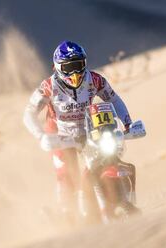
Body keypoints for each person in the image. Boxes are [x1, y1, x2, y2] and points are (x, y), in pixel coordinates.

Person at [23, 41, 136, 220]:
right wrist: (41, 136)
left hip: (90, 132)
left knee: (105, 160)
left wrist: (128, 123)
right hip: (60, 136)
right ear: (58, 67)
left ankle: (113, 200)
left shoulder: (95, 80)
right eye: (69, 67)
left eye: (79, 65)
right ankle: (65, 215)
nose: (75, 72)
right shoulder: (48, 87)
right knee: (67, 176)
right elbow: (29, 112)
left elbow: (114, 100)